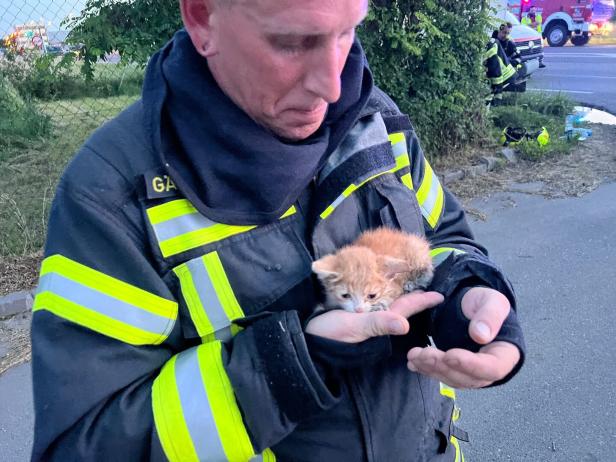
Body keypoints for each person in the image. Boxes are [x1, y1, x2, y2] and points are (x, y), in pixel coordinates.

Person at [31, 0, 526, 461]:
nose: (333, 86)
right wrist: (292, 366)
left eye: (348, 31)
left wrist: (468, 296)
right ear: (203, 18)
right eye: (293, 43)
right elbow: (84, 444)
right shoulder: (115, 195)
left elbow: (442, 238)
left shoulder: (374, 117)